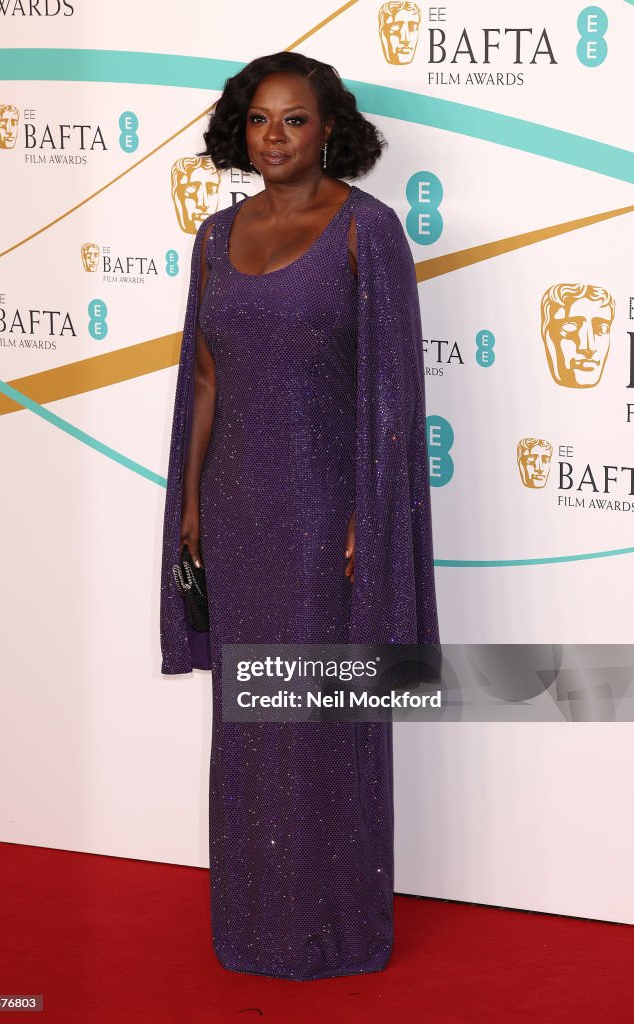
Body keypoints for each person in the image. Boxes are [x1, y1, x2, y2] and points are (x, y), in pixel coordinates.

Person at [160, 50, 440, 981]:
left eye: (295, 120)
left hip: (329, 517)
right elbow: (203, 376)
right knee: (249, 720)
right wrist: (191, 508)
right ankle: (252, 923)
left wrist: (370, 511)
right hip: (238, 515)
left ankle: (336, 926)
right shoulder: (211, 236)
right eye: (258, 120)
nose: (274, 137)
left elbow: (394, 390)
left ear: (331, 130)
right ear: (239, 128)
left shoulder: (368, 230)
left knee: (318, 716)